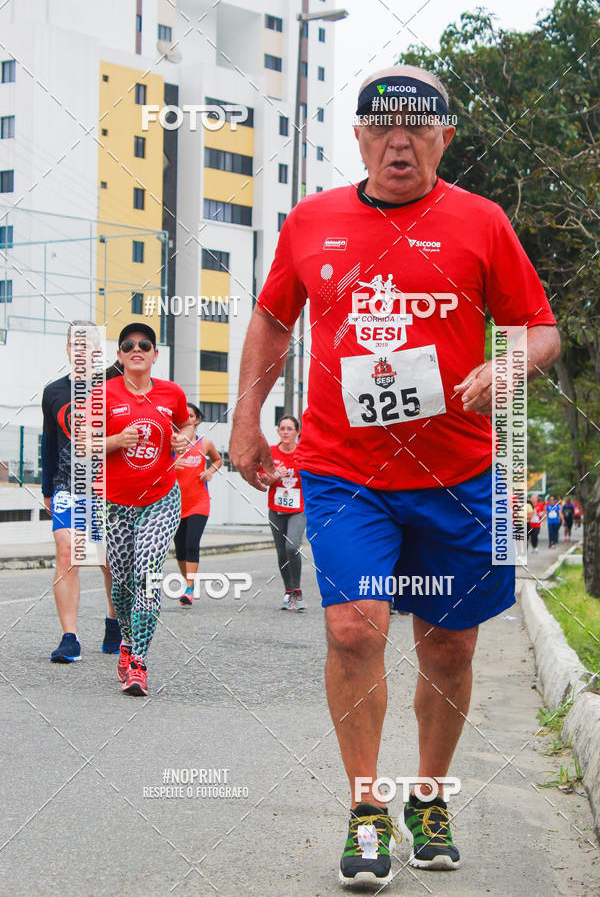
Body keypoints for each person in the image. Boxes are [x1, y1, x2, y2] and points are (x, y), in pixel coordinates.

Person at [229, 64, 560, 885]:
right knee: (353, 628)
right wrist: (244, 418)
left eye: (418, 127)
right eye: (382, 127)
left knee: (448, 648)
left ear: (445, 136)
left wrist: (508, 364)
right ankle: (366, 810)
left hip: (460, 476)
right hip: (346, 472)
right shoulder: (313, 221)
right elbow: (272, 318)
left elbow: (539, 328)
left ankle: (431, 796)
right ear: (359, 135)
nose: (399, 142)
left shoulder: (481, 223)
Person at [100, 323, 194, 695]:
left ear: (155, 354)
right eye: (128, 345)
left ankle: (139, 662)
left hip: (161, 499)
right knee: (122, 587)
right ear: (120, 356)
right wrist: (116, 440)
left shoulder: (172, 393)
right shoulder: (103, 393)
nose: (136, 349)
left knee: (148, 573)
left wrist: (182, 439)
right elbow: (83, 444)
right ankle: (126, 640)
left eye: (144, 344)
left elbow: (186, 424)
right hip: (117, 505)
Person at [41, 320, 119, 663]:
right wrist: (47, 488)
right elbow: (49, 442)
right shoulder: (53, 392)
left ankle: (114, 622)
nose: (82, 351)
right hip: (67, 487)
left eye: (88, 345)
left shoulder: (114, 386)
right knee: (66, 552)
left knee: (108, 560)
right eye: (76, 345)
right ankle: (69, 638)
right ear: (68, 349)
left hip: (108, 489)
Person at [174, 403, 222, 606]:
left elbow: (218, 460)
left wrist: (209, 472)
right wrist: (171, 465)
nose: (187, 419)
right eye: (184, 416)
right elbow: (157, 468)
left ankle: (189, 589)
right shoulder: (172, 445)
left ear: (197, 419)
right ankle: (188, 583)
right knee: (179, 548)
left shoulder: (205, 443)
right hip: (175, 503)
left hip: (199, 502)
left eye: (191, 415)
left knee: (192, 543)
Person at [263, 415, 307, 611]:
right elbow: (263, 480)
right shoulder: (270, 452)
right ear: (278, 431)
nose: (286, 432)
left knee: (292, 546)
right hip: (276, 508)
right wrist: (274, 475)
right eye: (283, 428)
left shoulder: (304, 453)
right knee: (281, 553)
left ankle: (297, 590)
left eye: (290, 428)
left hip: (298, 509)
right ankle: (288, 592)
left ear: (297, 432)